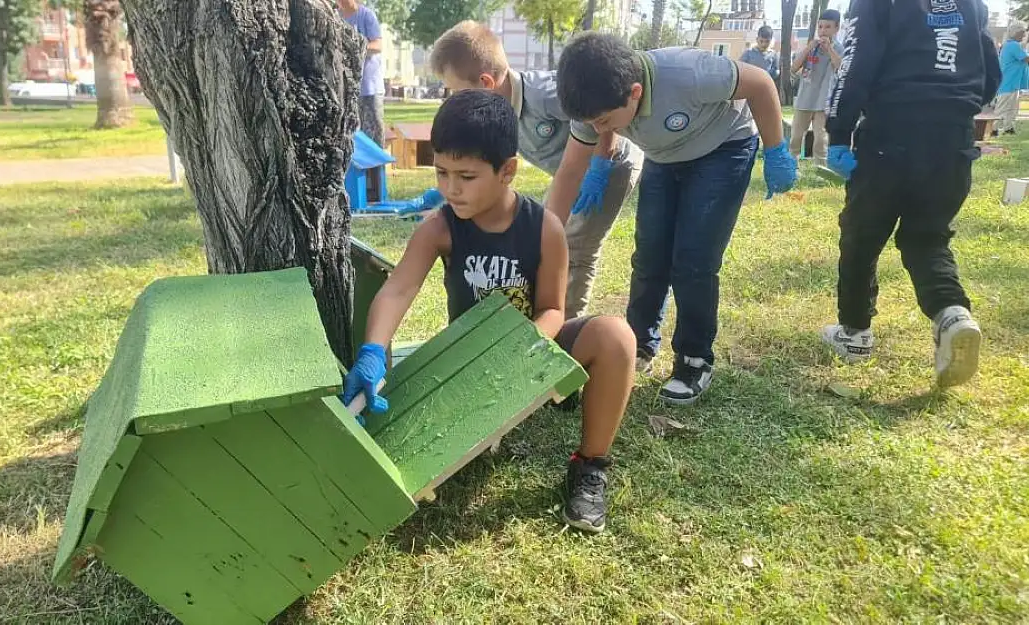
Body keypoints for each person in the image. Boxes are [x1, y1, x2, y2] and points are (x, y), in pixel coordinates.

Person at [341, 90, 637, 533]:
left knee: (617, 337)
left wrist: (524, 349)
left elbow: (554, 309)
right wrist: (372, 349)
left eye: (466, 176)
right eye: (441, 173)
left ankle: (590, 465)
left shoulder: (544, 228)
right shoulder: (439, 227)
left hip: (532, 350)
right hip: (471, 366)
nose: (450, 189)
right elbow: (397, 290)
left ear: (507, 171)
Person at [547, 33, 798, 404]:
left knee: (693, 260)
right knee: (649, 255)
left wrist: (777, 150)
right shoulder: (594, 101)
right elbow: (570, 170)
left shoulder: (688, 73)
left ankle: (694, 358)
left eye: (603, 121)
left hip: (722, 147)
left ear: (634, 92)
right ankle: (639, 345)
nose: (598, 128)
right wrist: (546, 234)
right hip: (664, 157)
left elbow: (760, 84)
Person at [822, 0, 999, 388]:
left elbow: (856, 61)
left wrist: (838, 132)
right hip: (953, 137)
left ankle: (854, 332)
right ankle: (952, 314)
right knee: (927, 237)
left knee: (862, 234)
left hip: (892, 130)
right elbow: (990, 68)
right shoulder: (971, 4)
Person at [429, 21, 645, 319]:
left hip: (610, 166)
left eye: (456, 91)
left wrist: (602, 161)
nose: (453, 100)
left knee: (577, 246)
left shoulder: (546, 95)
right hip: (570, 173)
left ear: (486, 83)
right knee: (547, 238)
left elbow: (598, 108)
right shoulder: (495, 115)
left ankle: (568, 325)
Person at [790, 10, 844, 167]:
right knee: (796, 137)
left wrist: (830, 50)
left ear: (836, 28)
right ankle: (791, 166)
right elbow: (794, 68)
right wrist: (807, 49)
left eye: (827, 27)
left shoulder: (839, 48)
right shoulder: (811, 47)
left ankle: (820, 168)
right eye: (820, 27)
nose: (823, 31)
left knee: (821, 138)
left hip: (824, 102)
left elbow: (840, 67)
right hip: (804, 99)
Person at [339, 0, 386, 146]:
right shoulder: (334, 17)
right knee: (349, 135)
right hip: (345, 88)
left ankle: (377, 169)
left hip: (369, 87)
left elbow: (378, 45)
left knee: (374, 134)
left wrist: (354, 48)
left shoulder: (366, 15)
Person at [994, 21, 1029, 137]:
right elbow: (1026, 59)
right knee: (1003, 107)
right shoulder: (1013, 45)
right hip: (1008, 82)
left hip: (1013, 82)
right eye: (1022, 33)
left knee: (1012, 108)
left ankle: (1008, 128)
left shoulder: (1012, 45)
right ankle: (993, 129)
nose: (1024, 36)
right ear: (1016, 33)